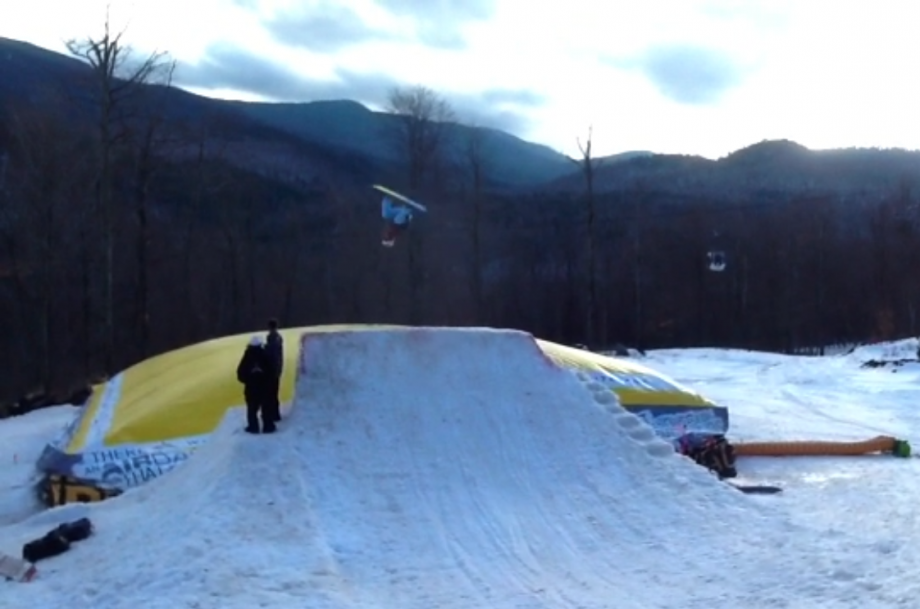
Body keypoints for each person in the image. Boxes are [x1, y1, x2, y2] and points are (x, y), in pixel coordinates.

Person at [236, 335, 276, 434]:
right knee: (266, 407)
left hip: (251, 388)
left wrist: (248, 380)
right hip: (264, 387)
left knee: (251, 408)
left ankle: (253, 427)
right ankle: (268, 426)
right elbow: (272, 371)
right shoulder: (265, 355)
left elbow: (240, 373)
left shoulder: (247, 356)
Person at [264, 318, 284, 422]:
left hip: (272, 369)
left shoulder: (272, 338)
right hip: (277, 368)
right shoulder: (278, 338)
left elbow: (271, 353)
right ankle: (275, 413)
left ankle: (274, 414)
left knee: (271, 393)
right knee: (274, 393)